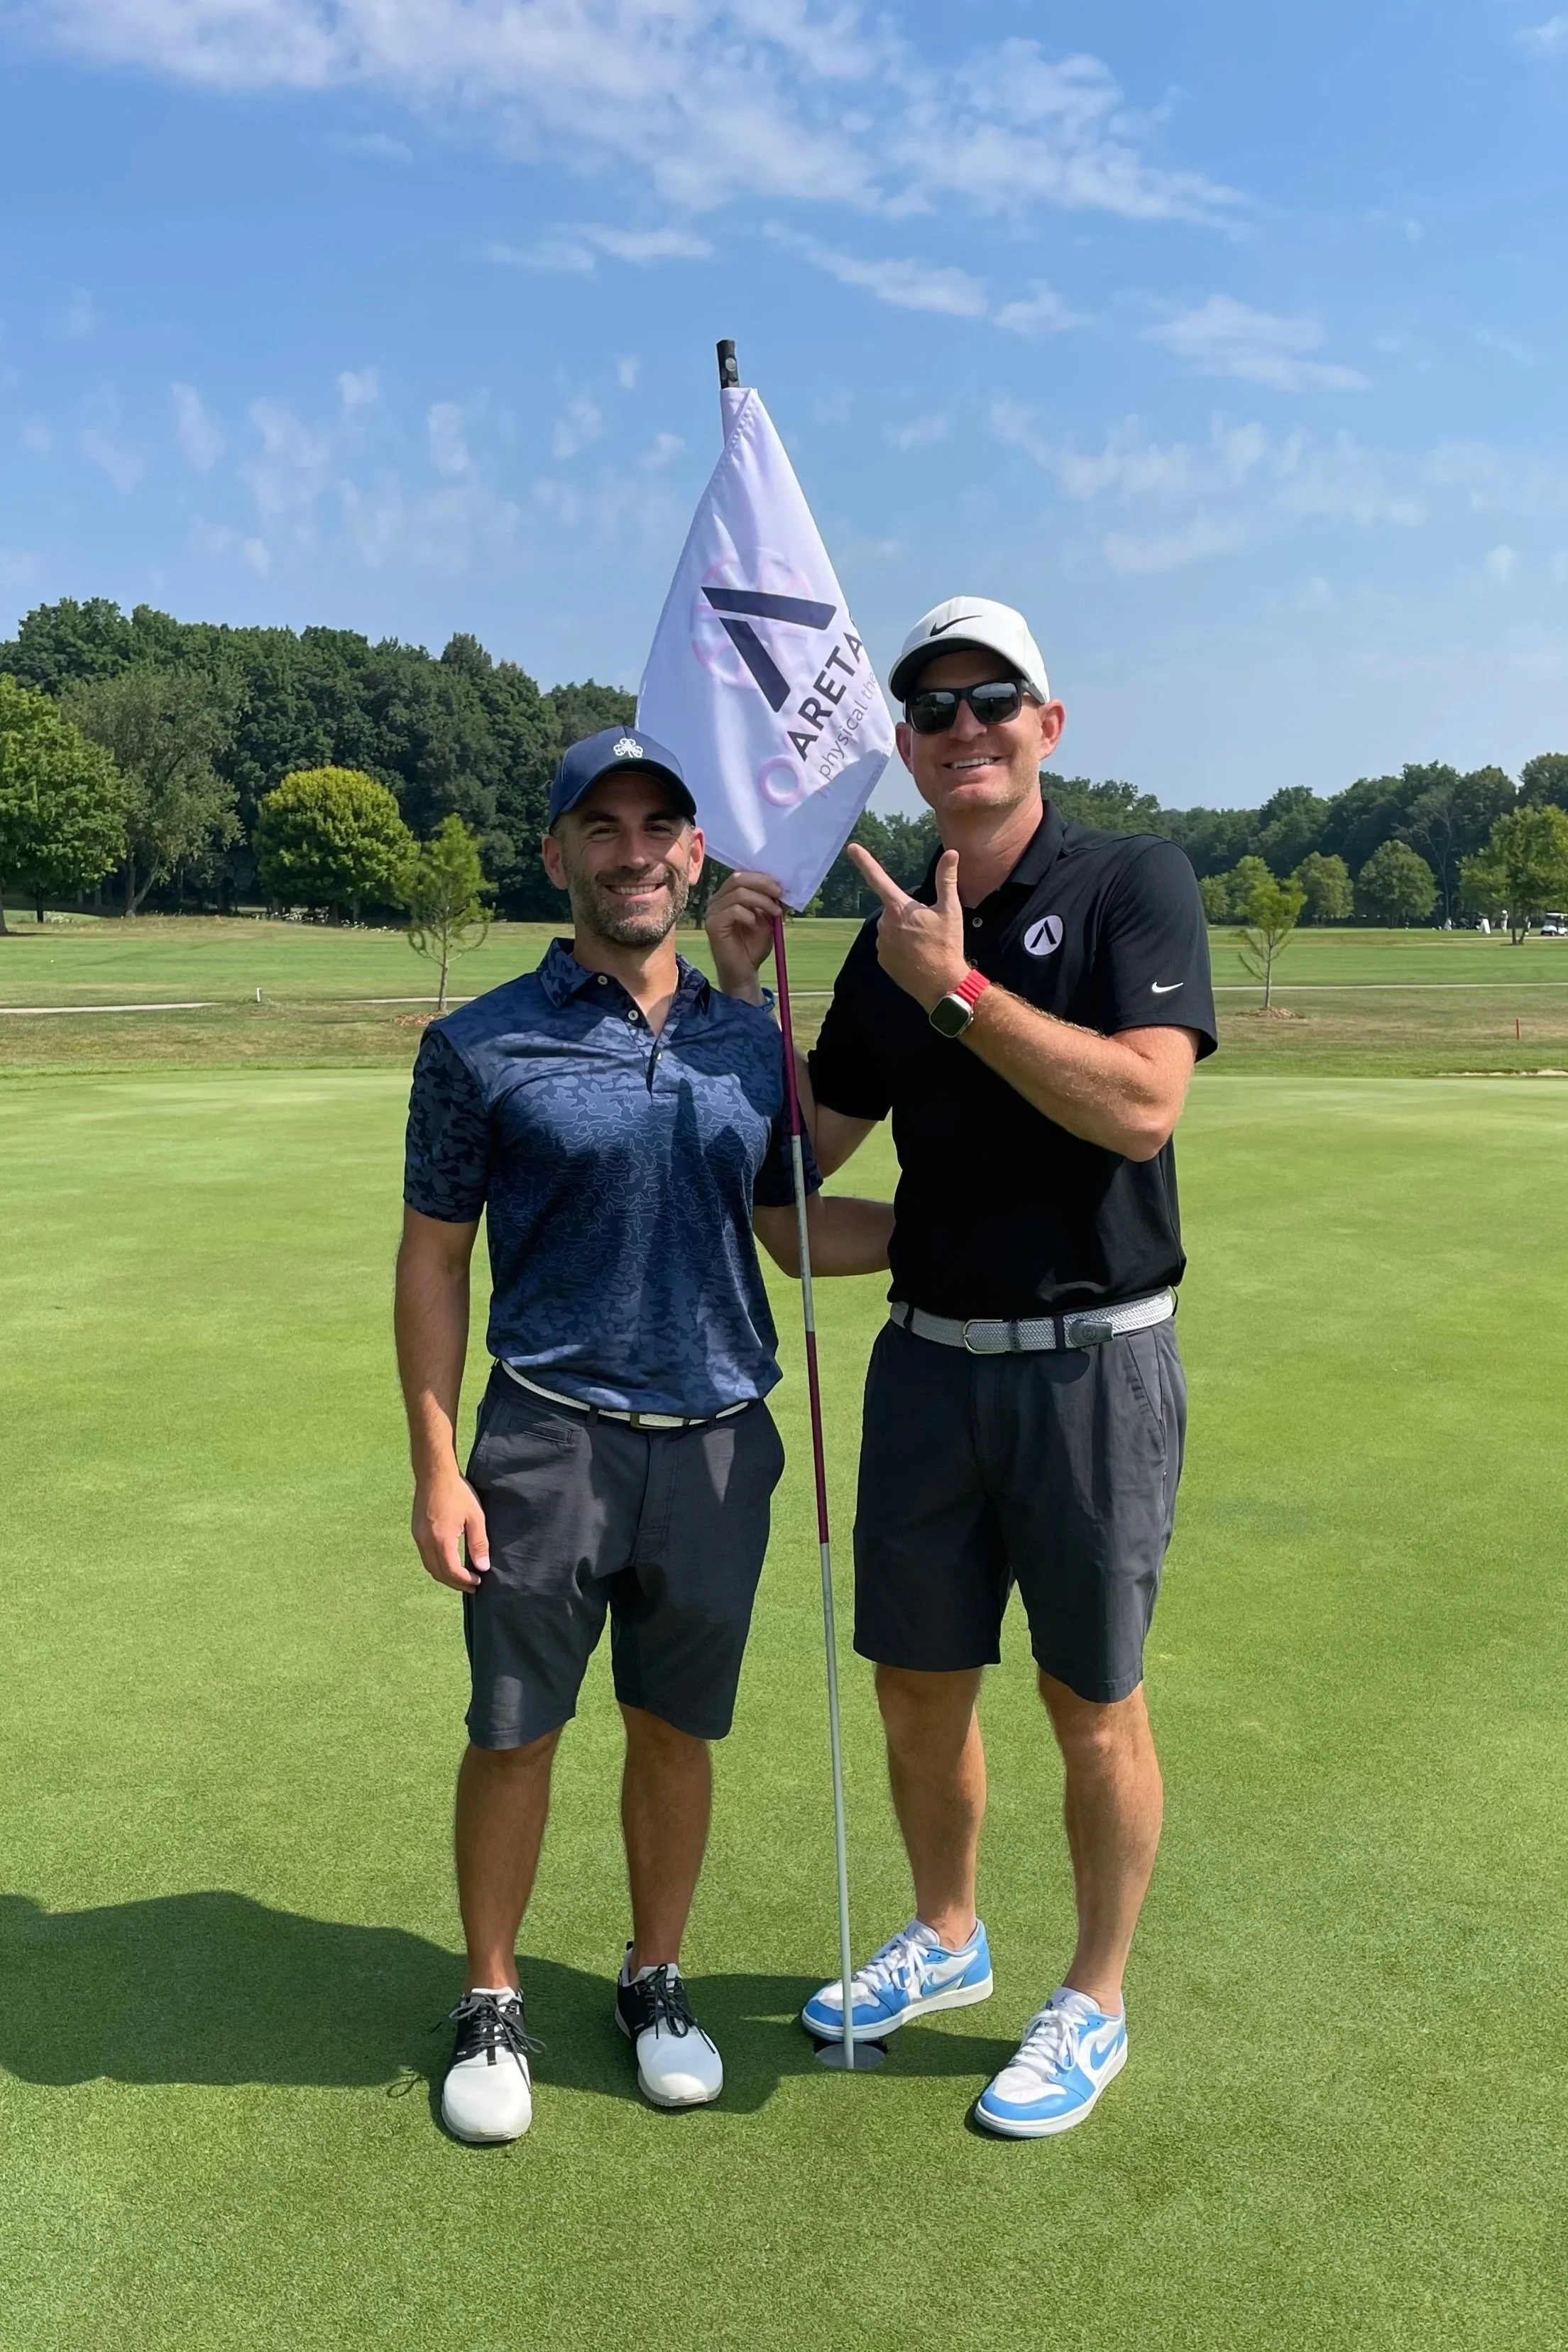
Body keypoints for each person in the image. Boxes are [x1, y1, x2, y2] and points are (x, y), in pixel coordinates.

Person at [705, 598, 1217, 2139]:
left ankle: (1097, 1999)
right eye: (931, 708)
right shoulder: (884, 946)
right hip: (929, 1371)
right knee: (918, 1692)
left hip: (1092, 1371)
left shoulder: (1132, 882)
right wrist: (743, 996)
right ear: (908, 749)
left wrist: (963, 992)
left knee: (1090, 1703)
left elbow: (1141, 1110)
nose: (963, 724)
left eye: (995, 697)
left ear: (1047, 726)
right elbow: (798, 1195)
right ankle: (947, 1936)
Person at [395, 724, 892, 2144]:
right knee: (516, 1731)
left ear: (696, 850)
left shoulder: (749, 1036)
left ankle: (653, 1977)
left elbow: (786, 1224)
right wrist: (437, 1462)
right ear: (557, 856)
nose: (632, 851)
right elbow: (433, 1263)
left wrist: (962, 1245)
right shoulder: (477, 1043)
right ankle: (492, 1993)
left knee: (676, 1731)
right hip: (549, 1437)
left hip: (724, 1442)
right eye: (599, 827)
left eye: (658, 825)